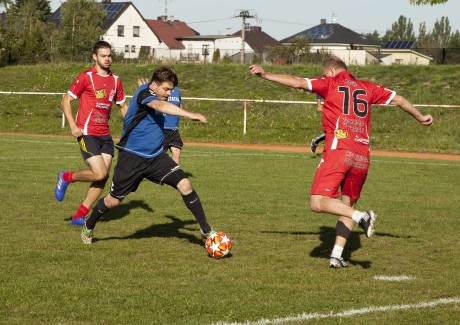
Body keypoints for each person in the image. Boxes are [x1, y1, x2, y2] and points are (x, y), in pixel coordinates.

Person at [249, 57, 433, 268]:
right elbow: (399, 100)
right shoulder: (368, 87)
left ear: (330, 70)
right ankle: (337, 255)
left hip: (339, 151)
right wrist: (420, 117)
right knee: (346, 206)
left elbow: (298, 81)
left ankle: (362, 217)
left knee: (317, 202)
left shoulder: (331, 83)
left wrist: (266, 75)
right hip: (362, 156)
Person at [80, 67, 213, 244]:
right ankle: (90, 221)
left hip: (156, 157)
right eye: (166, 89)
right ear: (154, 85)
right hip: (131, 158)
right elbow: (158, 105)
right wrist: (189, 114)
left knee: (185, 184)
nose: (169, 93)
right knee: (113, 201)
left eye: (171, 90)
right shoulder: (144, 94)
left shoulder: (151, 91)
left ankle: (206, 230)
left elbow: (159, 101)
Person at [55, 40, 128, 226]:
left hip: (105, 135)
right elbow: (65, 101)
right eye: (103, 56)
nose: (107, 59)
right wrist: (73, 125)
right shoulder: (86, 77)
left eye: (109, 55)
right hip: (86, 133)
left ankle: (79, 216)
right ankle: (66, 177)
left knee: (103, 176)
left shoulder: (115, 80)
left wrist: (132, 129)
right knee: (99, 172)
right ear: (94, 56)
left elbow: (122, 107)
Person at [137, 76, 184, 164]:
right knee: (158, 155)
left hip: (174, 129)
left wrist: (185, 113)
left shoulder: (177, 90)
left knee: (177, 151)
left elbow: (179, 104)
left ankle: (173, 174)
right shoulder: (160, 90)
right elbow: (152, 101)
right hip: (162, 128)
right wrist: (144, 89)